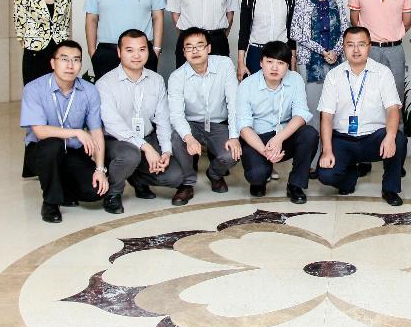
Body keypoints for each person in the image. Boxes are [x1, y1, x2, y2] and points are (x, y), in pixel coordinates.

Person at [316, 26, 407, 206]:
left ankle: (390, 189)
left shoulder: (382, 72)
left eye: (361, 44)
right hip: (343, 139)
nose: (356, 50)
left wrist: (390, 137)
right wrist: (326, 150)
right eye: (350, 45)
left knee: (398, 140)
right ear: (343, 48)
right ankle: (350, 174)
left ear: (369, 46)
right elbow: (326, 116)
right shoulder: (333, 76)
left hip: (373, 138)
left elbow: (393, 109)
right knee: (326, 175)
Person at [97, 29, 188, 208]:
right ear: (119, 52)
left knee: (175, 176)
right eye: (129, 50)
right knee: (130, 155)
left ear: (148, 51)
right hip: (116, 141)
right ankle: (113, 193)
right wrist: (146, 148)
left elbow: (163, 120)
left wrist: (166, 151)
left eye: (142, 49)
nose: (137, 55)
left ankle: (137, 179)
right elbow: (113, 125)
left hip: (146, 137)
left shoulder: (156, 80)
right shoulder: (105, 84)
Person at [19, 40, 107, 224]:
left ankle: (64, 187)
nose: (70, 65)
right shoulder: (34, 89)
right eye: (64, 59)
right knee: (52, 145)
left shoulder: (89, 90)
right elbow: (40, 132)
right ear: (53, 63)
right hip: (41, 152)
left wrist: (100, 169)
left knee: (95, 192)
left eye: (76, 60)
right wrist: (77, 132)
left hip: (72, 151)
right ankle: (50, 203)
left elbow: (96, 132)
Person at [235, 40, 319, 203]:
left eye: (280, 63)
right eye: (269, 62)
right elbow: (244, 127)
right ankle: (260, 179)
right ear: (261, 62)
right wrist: (265, 151)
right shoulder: (247, 85)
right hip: (258, 137)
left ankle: (295, 185)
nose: (275, 68)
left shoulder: (295, 79)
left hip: (284, 135)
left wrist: (279, 138)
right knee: (257, 175)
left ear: (287, 65)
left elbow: (301, 115)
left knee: (310, 134)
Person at [167, 27, 241, 195]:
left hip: (217, 123)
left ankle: (214, 174)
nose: (195, 51)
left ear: (209, 48)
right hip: (191, 123)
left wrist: (234, 136)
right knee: (177, 138)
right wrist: (189, 138)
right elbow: (176, 115)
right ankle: (187, 182)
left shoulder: (224, 65)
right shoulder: (176, 77)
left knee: (233, 154)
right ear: (183, 52)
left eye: (200, 45)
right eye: (189, 47)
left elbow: (234, 103)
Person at [290, 0, 349, 112]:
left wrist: (335, 52)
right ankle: (314, 130)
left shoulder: (337, 0)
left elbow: (345, 30)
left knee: (336, 106)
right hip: (309, 61)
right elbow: (295, 32)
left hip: (336, 59)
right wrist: (322, 51)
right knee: (313, 106)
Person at [12, 0, 72, 86]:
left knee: (59, 89)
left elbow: (66, 22)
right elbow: (20, 25)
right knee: (34, 90)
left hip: (59, 51)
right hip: (35, 52)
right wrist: (31, 44)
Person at [236, 0, 296, 79]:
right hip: (257, 53)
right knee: (256, 89)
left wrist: (293, 62)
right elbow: (244, 32)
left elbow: (292, 33)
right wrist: (240, 62)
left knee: (283, 89)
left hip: (281, 53)